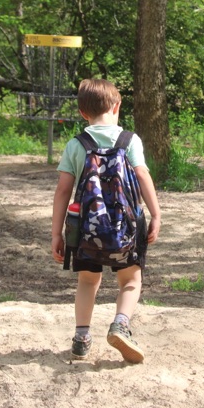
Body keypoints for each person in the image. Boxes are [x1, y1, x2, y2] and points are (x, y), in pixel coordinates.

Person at [50, 79, 161, 363]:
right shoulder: (130, 140)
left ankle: (81, 338)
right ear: (117, 106)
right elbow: (142, 176)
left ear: (82, 113)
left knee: (88, 281)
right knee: (131, 279)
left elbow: (63, 190)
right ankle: (120, 324)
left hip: (85, 228)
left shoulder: (76, 144)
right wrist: (156, 214)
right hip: (126, 227)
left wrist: (56, 234)